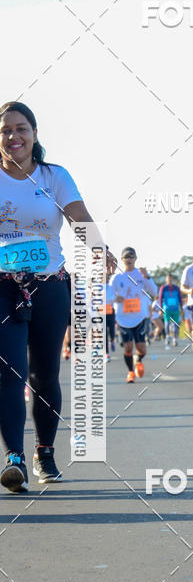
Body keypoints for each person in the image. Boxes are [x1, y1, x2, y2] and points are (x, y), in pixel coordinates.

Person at [0, 101, 114, 492]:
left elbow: (79, 217)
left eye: (21, 129)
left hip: (49, 284)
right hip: (2, 286)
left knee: (44, 374)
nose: (13, 136)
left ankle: (43, 451)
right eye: (5, 130)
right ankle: (14, 457)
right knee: (9, 372)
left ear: (34, 135)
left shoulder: (53, 176)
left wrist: (100, 250)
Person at [110, 247, 157, 382]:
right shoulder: (117, 278)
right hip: (123, 318)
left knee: (142, 349)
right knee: (128, 347)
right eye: (126, 257)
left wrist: (147, 277)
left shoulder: (142, 275)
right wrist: (115, 299)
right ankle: (131, 372)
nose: (129, 259)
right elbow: (108, 295)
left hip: (140, 317)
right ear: (122, 260)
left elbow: (153, 291)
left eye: (131, 256)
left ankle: (138, 359)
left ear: (135, 258)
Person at [158, 273, 183, 348]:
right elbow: (160, 299)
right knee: (167, 323)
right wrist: (160, 309)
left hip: (175, 309)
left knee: (176, 324)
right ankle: (167, 337)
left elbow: (180, 298)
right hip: (167, 309)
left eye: (170, 278)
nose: (169, 280)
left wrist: (181, 307)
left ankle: (175, 339)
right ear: (166, 279)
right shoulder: (163, 288)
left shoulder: (176, 288)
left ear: (172, 279)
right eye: (168, 279)